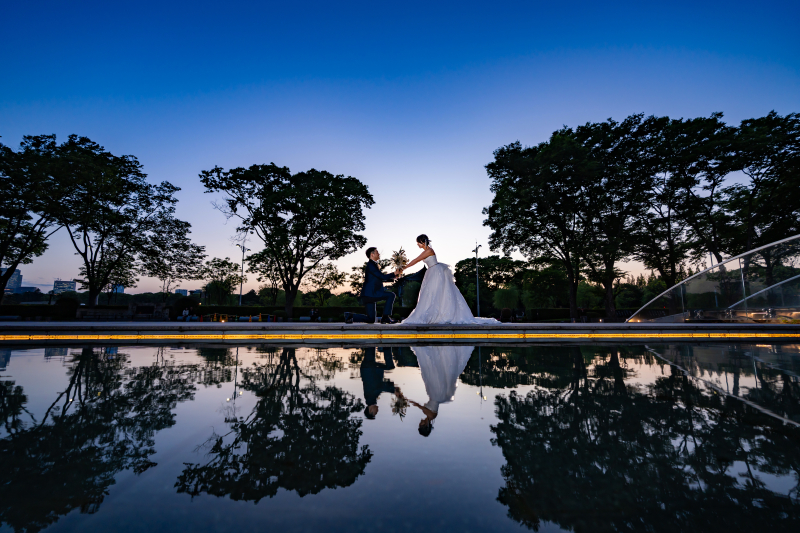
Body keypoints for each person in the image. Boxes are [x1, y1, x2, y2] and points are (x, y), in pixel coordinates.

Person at [397, 235, 499, 325]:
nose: (417, 245)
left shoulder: (429, 250)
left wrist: (403, 268)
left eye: (418, 243)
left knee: (435, 293)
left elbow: (416, 260)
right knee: (429, 293)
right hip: (431, 271)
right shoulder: (426, 251)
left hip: (435, 272)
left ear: (422, 242)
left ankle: (439, 314)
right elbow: (416, 260)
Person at [396, 345, 473, 436]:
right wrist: (417, 405)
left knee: (432, 368)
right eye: (421, 424)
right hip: (437, 394)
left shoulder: (428, 415)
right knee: (434, 370)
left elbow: (421, 407)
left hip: (433, 394)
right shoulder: (432, 416)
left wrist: (405, 399)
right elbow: (422, 407)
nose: (420, 422)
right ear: (425, 425)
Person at [345, 247, 400, 324]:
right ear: (372, 254)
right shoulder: (371, 265)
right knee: (391, 295)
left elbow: (378, 279)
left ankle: (350, 316)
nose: (379, 254)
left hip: (369, 295)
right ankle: (385, 317)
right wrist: (394, 274)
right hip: (371, 294)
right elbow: (381, 277)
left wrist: (394, 276)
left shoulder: (373, 265)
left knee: (371, 319)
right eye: (377, 252)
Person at [360, 347, 396, 419]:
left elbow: (379, 387)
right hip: (367, 369)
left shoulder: (370, 398)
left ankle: (387, 347)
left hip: (370, 369)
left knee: (390, 366)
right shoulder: (370, 399)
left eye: (375, 413)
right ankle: (375, 343)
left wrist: (393, 390)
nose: (377, 411)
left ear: (370, 410)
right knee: (370, 348)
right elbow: (379, 388)